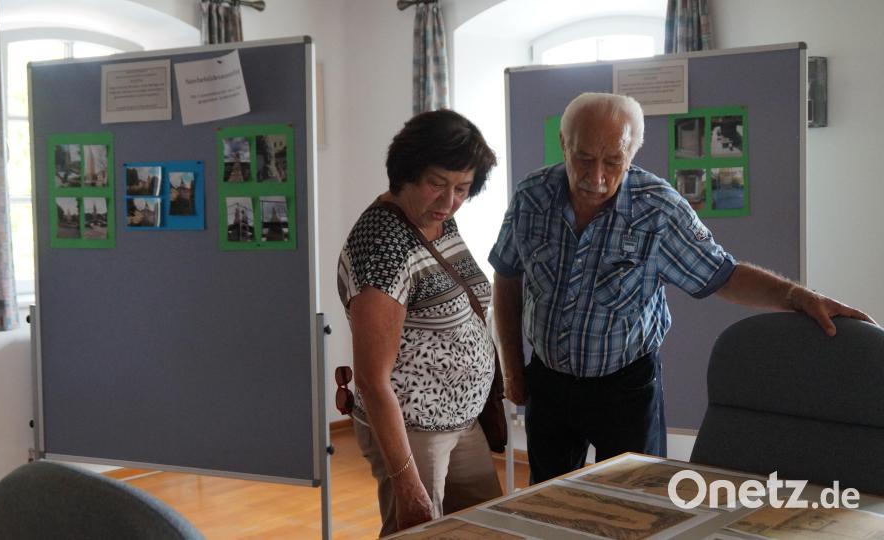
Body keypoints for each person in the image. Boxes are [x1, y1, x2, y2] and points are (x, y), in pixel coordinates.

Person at [488, 92, 877, 484]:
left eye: (614, 162)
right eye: (584, 158)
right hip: (549, 383)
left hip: (624, 388)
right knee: (546, 501)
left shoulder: (658, 209)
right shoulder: (531, 197)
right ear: (563, 143)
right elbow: (507, 275)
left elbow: (721, 274)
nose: (597, 177)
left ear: (633, 154)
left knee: (636, 503)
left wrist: (796, 296)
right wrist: (512, 368)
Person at [337, 109, 503, 536]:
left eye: (462, 189)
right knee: (416, 531)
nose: (449, 202)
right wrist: (408, 484)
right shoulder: (382, 248)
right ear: (406, 173)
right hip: (414, 431)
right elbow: (373, 381)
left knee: (484, 527)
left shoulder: (436, 220)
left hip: (461, 420)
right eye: (437, 184)